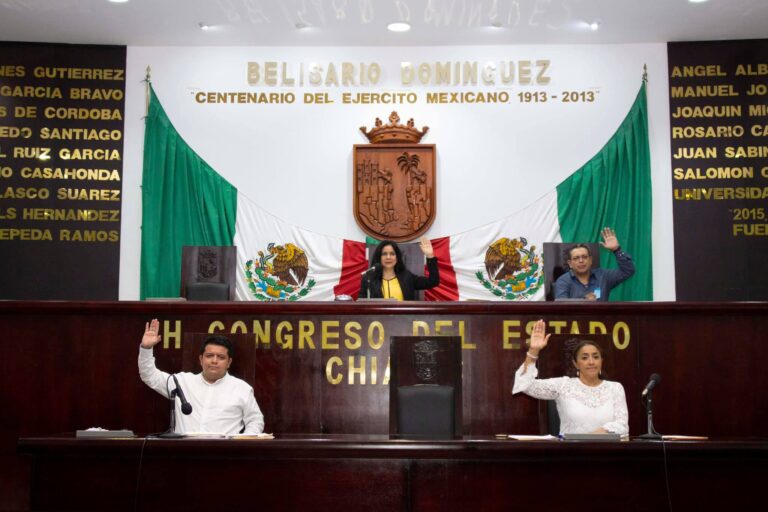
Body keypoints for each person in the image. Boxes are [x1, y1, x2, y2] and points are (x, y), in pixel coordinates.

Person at [138, 319, 264, 435]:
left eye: (221, 357)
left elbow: (255, 420)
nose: (214, 361)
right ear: (201, 359)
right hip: (184, 453)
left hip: (224, 454)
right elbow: (149, 376)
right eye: (209, 356)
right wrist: (146, 348)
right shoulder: (181, 382)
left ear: (229, 362)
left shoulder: (241, 388)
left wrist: (243, 444)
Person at [512, 319, 628, 435]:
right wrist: (534, 350)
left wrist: (589, 438)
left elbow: (622, 426)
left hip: (607, 450)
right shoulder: (563, 385)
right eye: (584, 357)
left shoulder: (615, 388)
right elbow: (525, 385)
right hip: (570, 450)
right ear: (575, 363)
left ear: (601, 361)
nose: (591, 362)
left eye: (596, 357)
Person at [554, 227, 635, 301]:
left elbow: (628, 271)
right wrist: (584, 301)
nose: (581, 261)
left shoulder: (603, 276)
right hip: (576, 317)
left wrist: (617, 250)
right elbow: (561, 303)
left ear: (590, 260)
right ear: (570, 263)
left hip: (601, 317)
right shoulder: (563, 281)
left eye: (584, 257)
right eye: (576, 258)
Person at [358, 236, 440, 300]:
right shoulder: (369, 279)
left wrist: (430, 256)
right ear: (379, 257)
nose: (388, 257)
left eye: (392, 254)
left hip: (403, 321)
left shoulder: (407, 277)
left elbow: (433, 281)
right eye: (384, 254)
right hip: (377, 321)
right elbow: (361, 305)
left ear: (397, 258)